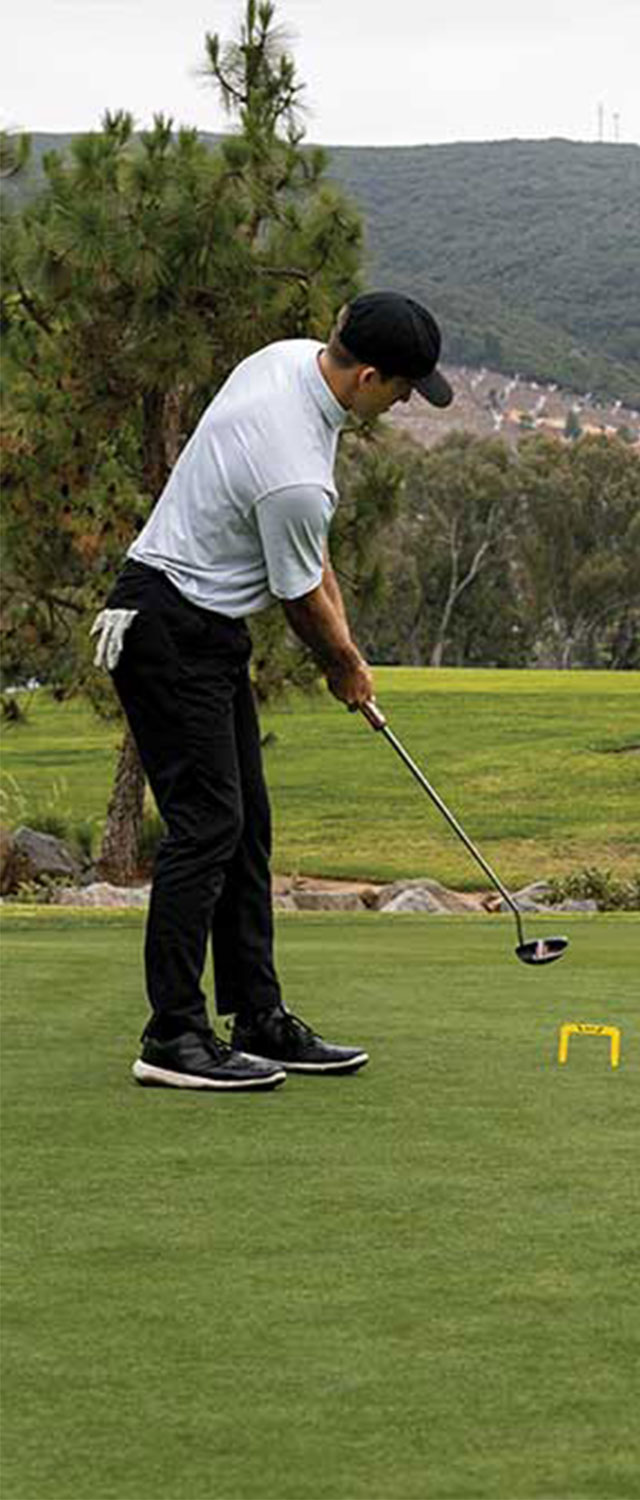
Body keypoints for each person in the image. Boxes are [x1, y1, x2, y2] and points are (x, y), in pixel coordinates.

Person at [92, 292, 453, 1091]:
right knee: (205, 826)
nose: (399, 405)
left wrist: (348, 648)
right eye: (400, 390)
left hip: (204, 628)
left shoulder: (291, 358)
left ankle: (258, 1017)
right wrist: (346, 665)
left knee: (246, 824)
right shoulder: (291, 467)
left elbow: (311, 558)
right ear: (365, 375)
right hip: (163, 626)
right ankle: (173, 1037)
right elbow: (300, 597)